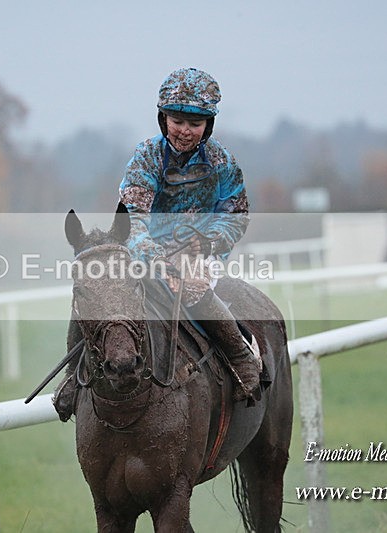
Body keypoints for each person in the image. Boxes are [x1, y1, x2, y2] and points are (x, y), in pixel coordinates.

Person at [52, 67, 259, 422]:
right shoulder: (147, 157)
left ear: (208, 126)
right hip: (146, 251)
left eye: (195, 123)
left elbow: (236, 215)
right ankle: (72, 376)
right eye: (177, 120)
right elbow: (134, 219)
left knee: (192, 287)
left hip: (199, 254)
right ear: (163, 118)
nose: (185, 130)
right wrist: (159, 262)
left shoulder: (224, 162)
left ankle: (241, 359)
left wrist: (206, 242)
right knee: (98, 286)